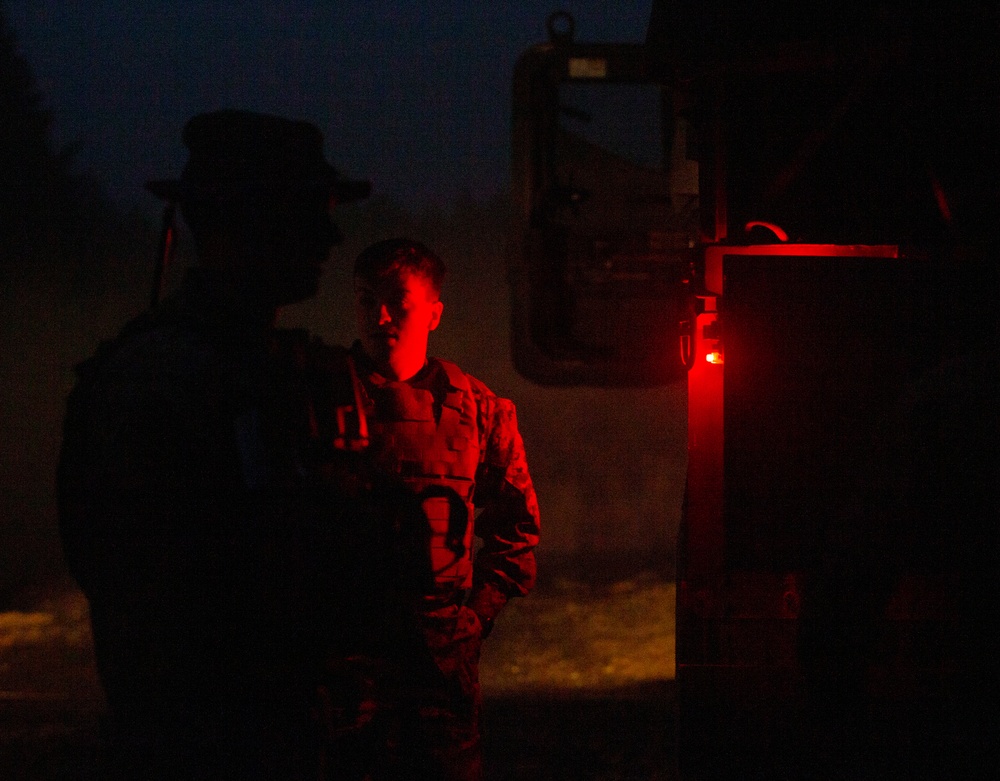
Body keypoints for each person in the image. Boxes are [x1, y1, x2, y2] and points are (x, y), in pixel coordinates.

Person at [56, 109, 370, 779]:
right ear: (243, 222)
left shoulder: (260, 370)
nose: (330, 236)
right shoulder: (162, 383)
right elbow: (161, 608)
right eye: (308, 212)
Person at [313, 239, 540, 781]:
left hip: (440, 675)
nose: (380, 316)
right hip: (343, 671)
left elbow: (517, 531)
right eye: (367, 300)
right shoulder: (314, 401)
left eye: (397, 300)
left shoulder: (479, 411)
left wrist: (470, 620)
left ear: (434, 312)